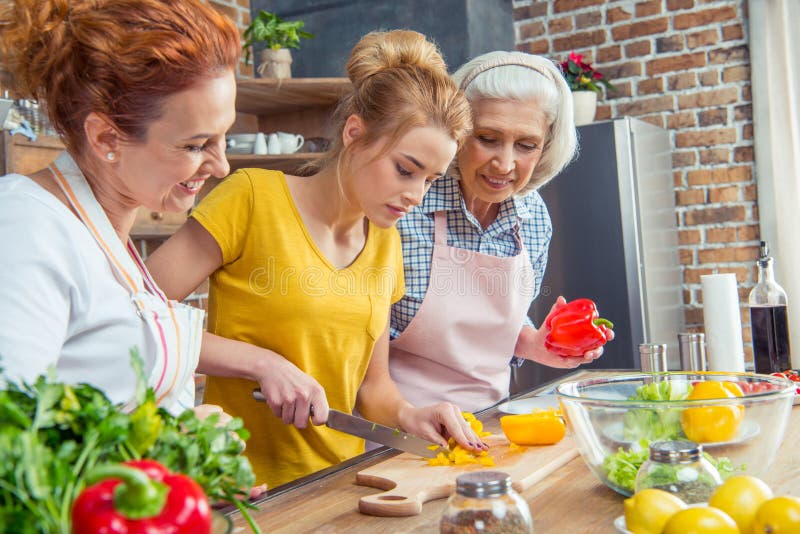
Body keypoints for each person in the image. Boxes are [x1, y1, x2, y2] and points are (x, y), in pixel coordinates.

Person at [145, 30, 484, 488]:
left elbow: (372, 388)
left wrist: (410, 414)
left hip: (341, 485)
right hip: (240, 488)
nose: (415, 196)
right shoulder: (251, 199)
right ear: (354, 133)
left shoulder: (386, 244)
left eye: (430, 179)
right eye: (405, 169)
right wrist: (261, 363)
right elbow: (136, 317)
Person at [0, 0, 239, 416]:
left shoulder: (109, 238)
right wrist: (169, 448)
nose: (221, 166)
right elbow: (12, 445)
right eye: (195, 145)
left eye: (224, 138)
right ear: (106, 139)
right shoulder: (26, 227)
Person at [389, 51, 613, 413]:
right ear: (456, 132)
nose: (505, 164)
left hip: (491, 424)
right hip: (396, 433)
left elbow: (500, 325)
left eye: (526, 145)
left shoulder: (534, 217)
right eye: (488, 138)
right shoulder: (405, 207)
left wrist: (534, 343)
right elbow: (358, 333)